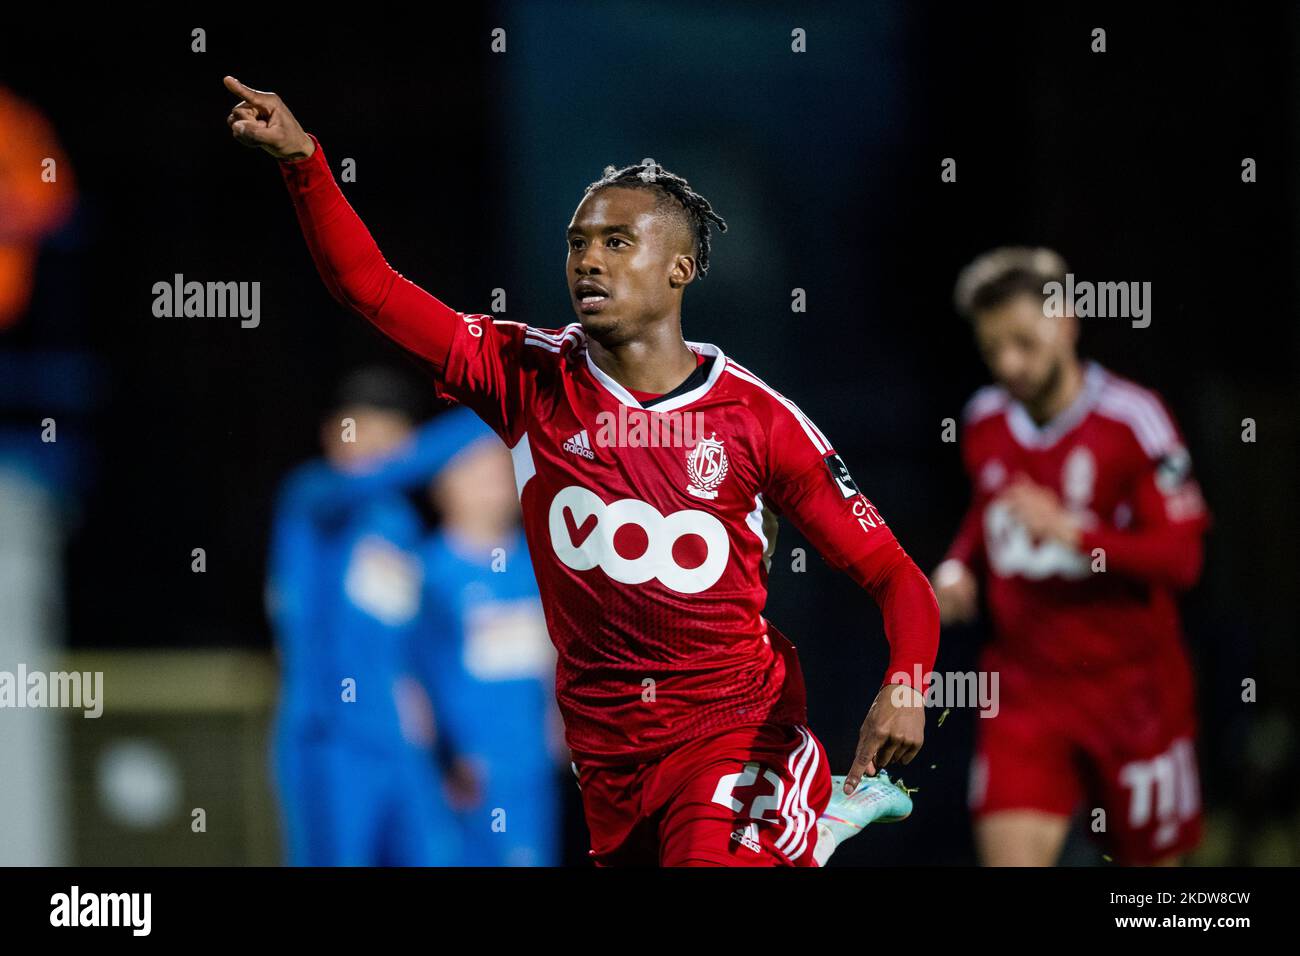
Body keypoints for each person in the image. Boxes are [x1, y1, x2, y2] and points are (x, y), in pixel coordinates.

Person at [227, 76, 938, 867]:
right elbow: (370, 289)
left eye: (615, 242)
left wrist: (905, 683)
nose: (587, 261)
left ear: (680, 268)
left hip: (732, 729)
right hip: (609, 757)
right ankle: (809, 828)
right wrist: (304, 162)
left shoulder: (758, 419)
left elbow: (895, 575)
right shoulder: (523, 375)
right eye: (577, 243)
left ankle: (797, 811)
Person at [934, 247, 1209, 866]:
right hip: (1026, 694)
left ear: (1066, 322)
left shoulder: (1134, 421)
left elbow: (1183, 561)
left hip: (1134, 698)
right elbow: (988, 513)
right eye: (992, 348)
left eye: (1024, 342)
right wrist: (958, 565)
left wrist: (1079, 535)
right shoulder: (984, 419)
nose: (1009, 364)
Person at [267, 368, 485, 865]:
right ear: (332, 433)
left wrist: (450, 745)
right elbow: (378, 477)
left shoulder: (400, 527)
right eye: (361, 430)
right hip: (330, 737)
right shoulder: (313, 499)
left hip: (398, 742)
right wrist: (492, 417)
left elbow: (411, 645)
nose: (377, 449)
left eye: (391, 435)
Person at [417, 431, 567, 866]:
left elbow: (554, 654)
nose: (494, 484)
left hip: (529, 763)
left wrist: (559, 721)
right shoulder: (426, 571)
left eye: (501, 473)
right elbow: (409, 672)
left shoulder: (542, 564)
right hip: (455, 769)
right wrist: (442, 753)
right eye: (477, 473)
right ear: (443, 485)